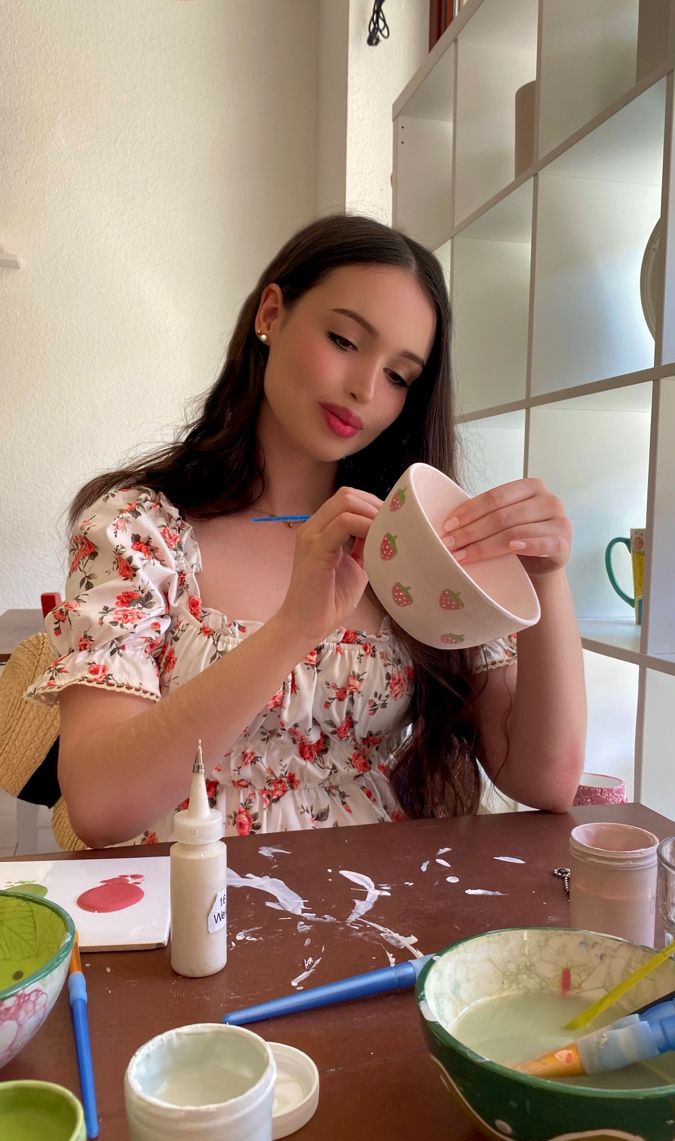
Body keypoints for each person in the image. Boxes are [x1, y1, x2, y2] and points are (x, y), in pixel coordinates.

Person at [29, 214, 586, 847]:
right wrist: (295, 627)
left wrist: (547, 578)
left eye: (400, 376)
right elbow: (101, 808)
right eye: (345, 340)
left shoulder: (413, 541)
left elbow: (547, 779)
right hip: (192, 920)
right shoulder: (140, 530)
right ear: (272, 312)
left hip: (386, 918)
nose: (364, 389)